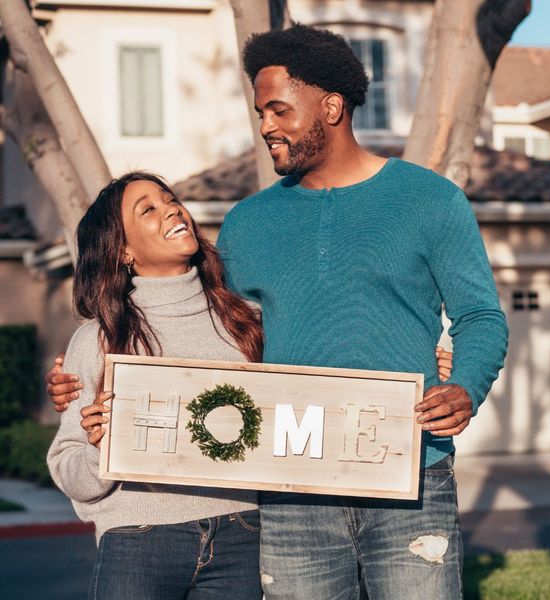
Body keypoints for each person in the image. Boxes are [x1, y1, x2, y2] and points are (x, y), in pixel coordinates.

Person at [47, 23, 506, 600]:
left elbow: (480, 318)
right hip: (290, 491)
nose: (265, 126)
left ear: (331, 106)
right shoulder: (248, 223)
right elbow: (208, 330)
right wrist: (84, 379)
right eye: (260, 112)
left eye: (278, 110)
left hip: (412, 474)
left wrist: (465, 384)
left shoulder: (431, 200)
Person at [47, 172, 264, 600]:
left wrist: (432, 361)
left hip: (244, 533)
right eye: (148, 208)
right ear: (123, 250)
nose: (171, 208)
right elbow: (69, 468)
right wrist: (99, 449)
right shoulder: (98, 338)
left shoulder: (248, 322)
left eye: (170, 199)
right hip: (138, 538)